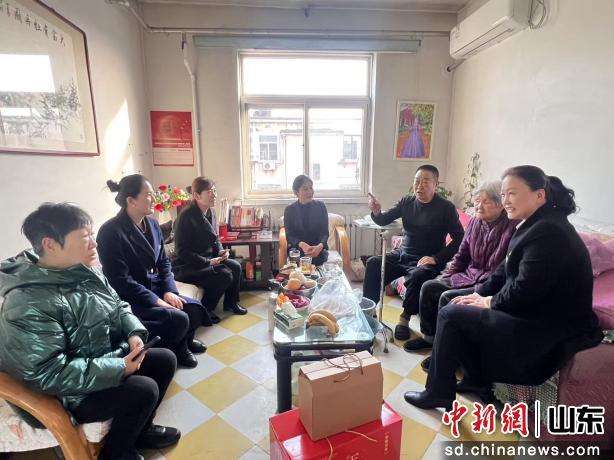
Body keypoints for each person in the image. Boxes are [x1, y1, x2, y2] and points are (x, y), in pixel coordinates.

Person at [404, 165, 603, 411]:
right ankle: (476, 380)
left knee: (451, 314)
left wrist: (489, 302)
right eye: (503, 194)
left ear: (539, 195)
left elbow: (524, 290)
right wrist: (477, 294)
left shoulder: (549, 231)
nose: (506, 200)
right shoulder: (532, 225)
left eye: (512, 193)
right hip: (530, 309)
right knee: (451, 300)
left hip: (546, 324)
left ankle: (438, 392)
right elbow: (501, 273)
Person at [0, 203, 180, 460]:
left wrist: (133, 333)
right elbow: (47, 374)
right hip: (64, 393)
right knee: (144, 389)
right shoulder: (28, 302)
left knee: (165, 359)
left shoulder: (83, 271)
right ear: (50, 244)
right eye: (86, 237)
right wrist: (118, 368)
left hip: (98, 360)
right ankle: (116, 454)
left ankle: (140, 432)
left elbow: (119, 306)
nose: (94, 243)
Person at [97, 175, 208, 369]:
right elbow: (120, 281)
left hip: (157, 287)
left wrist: (169, 290)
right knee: (179, 316)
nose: (154, 198)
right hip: (134, 297)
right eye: (148, 194)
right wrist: (157, 300)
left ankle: (186, 341)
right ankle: (180, 349)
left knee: (195, 308)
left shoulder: (153, 224)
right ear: (131, 201)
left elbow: (164, 262)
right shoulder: (110, 232)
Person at [405, 181, 518, 369]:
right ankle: (430, 338)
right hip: (468, 274)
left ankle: (446, 352)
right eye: (477, 200)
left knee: (447, 297)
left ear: (500, 205)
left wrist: (481, 289)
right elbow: (462, 253)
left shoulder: (512, 227)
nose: (479, 206)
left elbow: (503, 271)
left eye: (485, 202)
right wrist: (447, 275)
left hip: (490, 283)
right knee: (430, 286)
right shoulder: (475, 222)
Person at [363, 165, 464, 340]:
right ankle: (368, 310)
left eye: (425, 181)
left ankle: (404, 319)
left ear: (436, 185)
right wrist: (377, 211)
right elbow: (384, 219)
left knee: (419, 275)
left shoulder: (446, 208)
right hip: (403, 254)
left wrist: (436, 258)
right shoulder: (406, 202)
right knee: (373, 263)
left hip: (426, 259)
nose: (419, 186)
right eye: (417, 181)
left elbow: (459, 237)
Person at [172, 177, 246, 322]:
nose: (214, 195)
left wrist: (221, 251)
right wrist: (207, 262)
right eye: (210, 192)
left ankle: (231, 303)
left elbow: (215, 238)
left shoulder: (211, 212)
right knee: (224, 275)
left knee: (236, 266)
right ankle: (206, 310)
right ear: (196, 195)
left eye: (215, 191)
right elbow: (182, 252)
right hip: (189, 265)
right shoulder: (185, 217)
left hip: (210, 259)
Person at [283, 175, 329, 266]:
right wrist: (301, 244)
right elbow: (289, 235)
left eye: (311, 188)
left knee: (317, 261)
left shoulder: (321, 206)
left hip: (317, 249)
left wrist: (319, 246)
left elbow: (324, 233)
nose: (310, 192)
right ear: (296, 192)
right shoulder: (289, 210)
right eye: (305, 189)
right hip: (298, 249)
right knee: (298, 261)